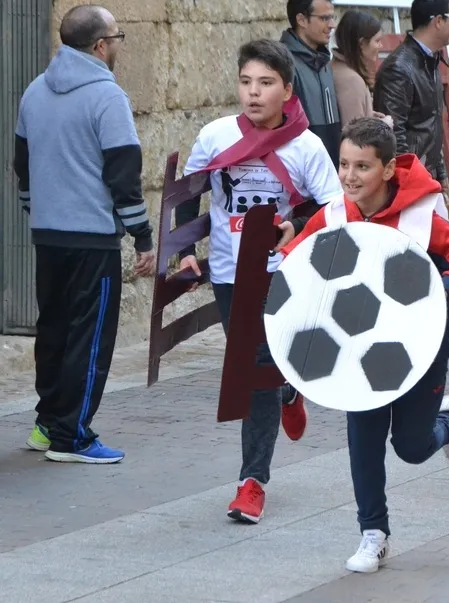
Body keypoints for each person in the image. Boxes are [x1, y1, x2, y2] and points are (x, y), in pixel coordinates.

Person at [282, 117, 449, 573]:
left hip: (420, 347)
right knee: (364, 440)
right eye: (343, 164)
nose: (350, 176)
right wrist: (282, 245)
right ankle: (373, 534)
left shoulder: (420, 217)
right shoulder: (334, 214)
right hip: (357, 352)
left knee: (412, 448)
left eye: (363, 166)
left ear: (389, 168)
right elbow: (296, 261)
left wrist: (441, 283)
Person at [174, 40, 344, 523]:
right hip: (231, 274)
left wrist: (298, 225)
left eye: (266, 83)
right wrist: (186, 254)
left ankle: (252, 482)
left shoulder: (305, 146)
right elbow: (190, 197)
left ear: (287, 90)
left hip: (284, 274)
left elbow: (331, 207)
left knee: (256, 370)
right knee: (257, 368)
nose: (253, 93)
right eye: (246, 82)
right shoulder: (215, 135)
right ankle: (289, 391)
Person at [14, 5, 155, 463]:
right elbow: (123, 174)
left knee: (53, 330)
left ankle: (47, 423)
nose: (118, 45)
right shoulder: (106, 96)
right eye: (117, 37)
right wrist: (142, 236)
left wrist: (39, 212)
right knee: (89, 336)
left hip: (48, 235)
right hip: (92, 238)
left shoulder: (34, 91)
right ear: (100, 46)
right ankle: (72, 437)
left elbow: (23, 167)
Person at [374, 0, 449, 199]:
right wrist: (414, 181)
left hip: (426, 176)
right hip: (408, 183)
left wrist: (441, 173)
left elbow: (431, 123)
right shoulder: (399, 68)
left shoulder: (431, 60)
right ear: (438, 21)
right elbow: (393, 133)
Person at [281, 0, 343, 170]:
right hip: (302, 173)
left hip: (331, 172)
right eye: (324, 18)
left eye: (332, 17)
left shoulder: (323, 61)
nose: (332, 25)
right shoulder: (283, 63)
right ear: (301, 20)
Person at [331, 10, 392, 128]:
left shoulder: (336, 67)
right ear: (362, 43)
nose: (381, 46)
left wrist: (369, 115)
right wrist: (383, 125)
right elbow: (355, 135)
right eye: (377, 41)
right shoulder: (351, 80)